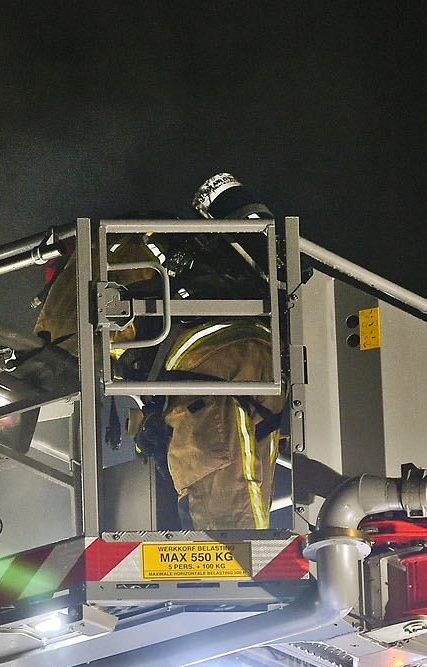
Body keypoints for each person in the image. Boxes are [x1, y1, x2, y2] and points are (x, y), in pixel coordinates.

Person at [30, 184, 284, 530]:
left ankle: (235, 563)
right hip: (255, 358)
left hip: (209, 367)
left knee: (226, 525)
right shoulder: (162, 243)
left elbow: (55, 352)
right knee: (248, 493)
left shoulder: (94, 251)